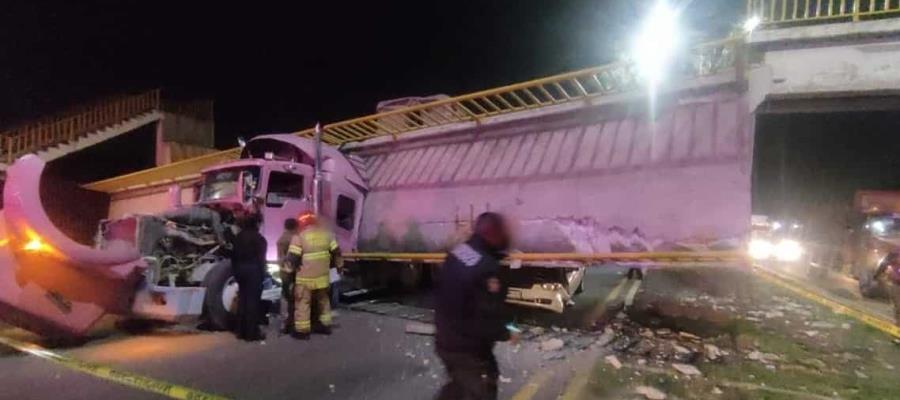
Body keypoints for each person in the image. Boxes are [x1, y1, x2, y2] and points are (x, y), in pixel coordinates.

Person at [435, 212, 518, 400]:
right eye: (504, 232)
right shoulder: (487, 267)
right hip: (468, 349)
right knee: (483, 387)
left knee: (459, 384)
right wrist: (508, 331)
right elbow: (486, 317)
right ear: (493, 234)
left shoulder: (457, 253)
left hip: (445, 341)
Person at [286, 211, 341, 340]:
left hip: (305, 278)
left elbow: (293, 259)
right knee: (323, 301)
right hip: (322, 277)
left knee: (303, 303)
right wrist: (339, 267)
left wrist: (288, 273)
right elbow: (337, 252)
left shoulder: (299, 237)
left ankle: (303, 331)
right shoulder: (327, 235)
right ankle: (325, 325)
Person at [231, 214, 268, 341]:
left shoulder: (238, 238)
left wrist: (235, 273)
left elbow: (233, 257)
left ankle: (240, 331)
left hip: (240, 271)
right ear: (256, 224)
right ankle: (251, 333)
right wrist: (263, 274)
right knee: (252, 302)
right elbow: (261, 259)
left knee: (242, 300)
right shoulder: (259, 239)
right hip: (253, 271)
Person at [277, 218, 300, 334]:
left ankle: (284, 323)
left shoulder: (281, 239)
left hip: (283, 271)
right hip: (293, 271)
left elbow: (281, 257)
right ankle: (293, 322)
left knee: (285, 296)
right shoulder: (294, 239)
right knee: (295, 296)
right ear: (295, 226)